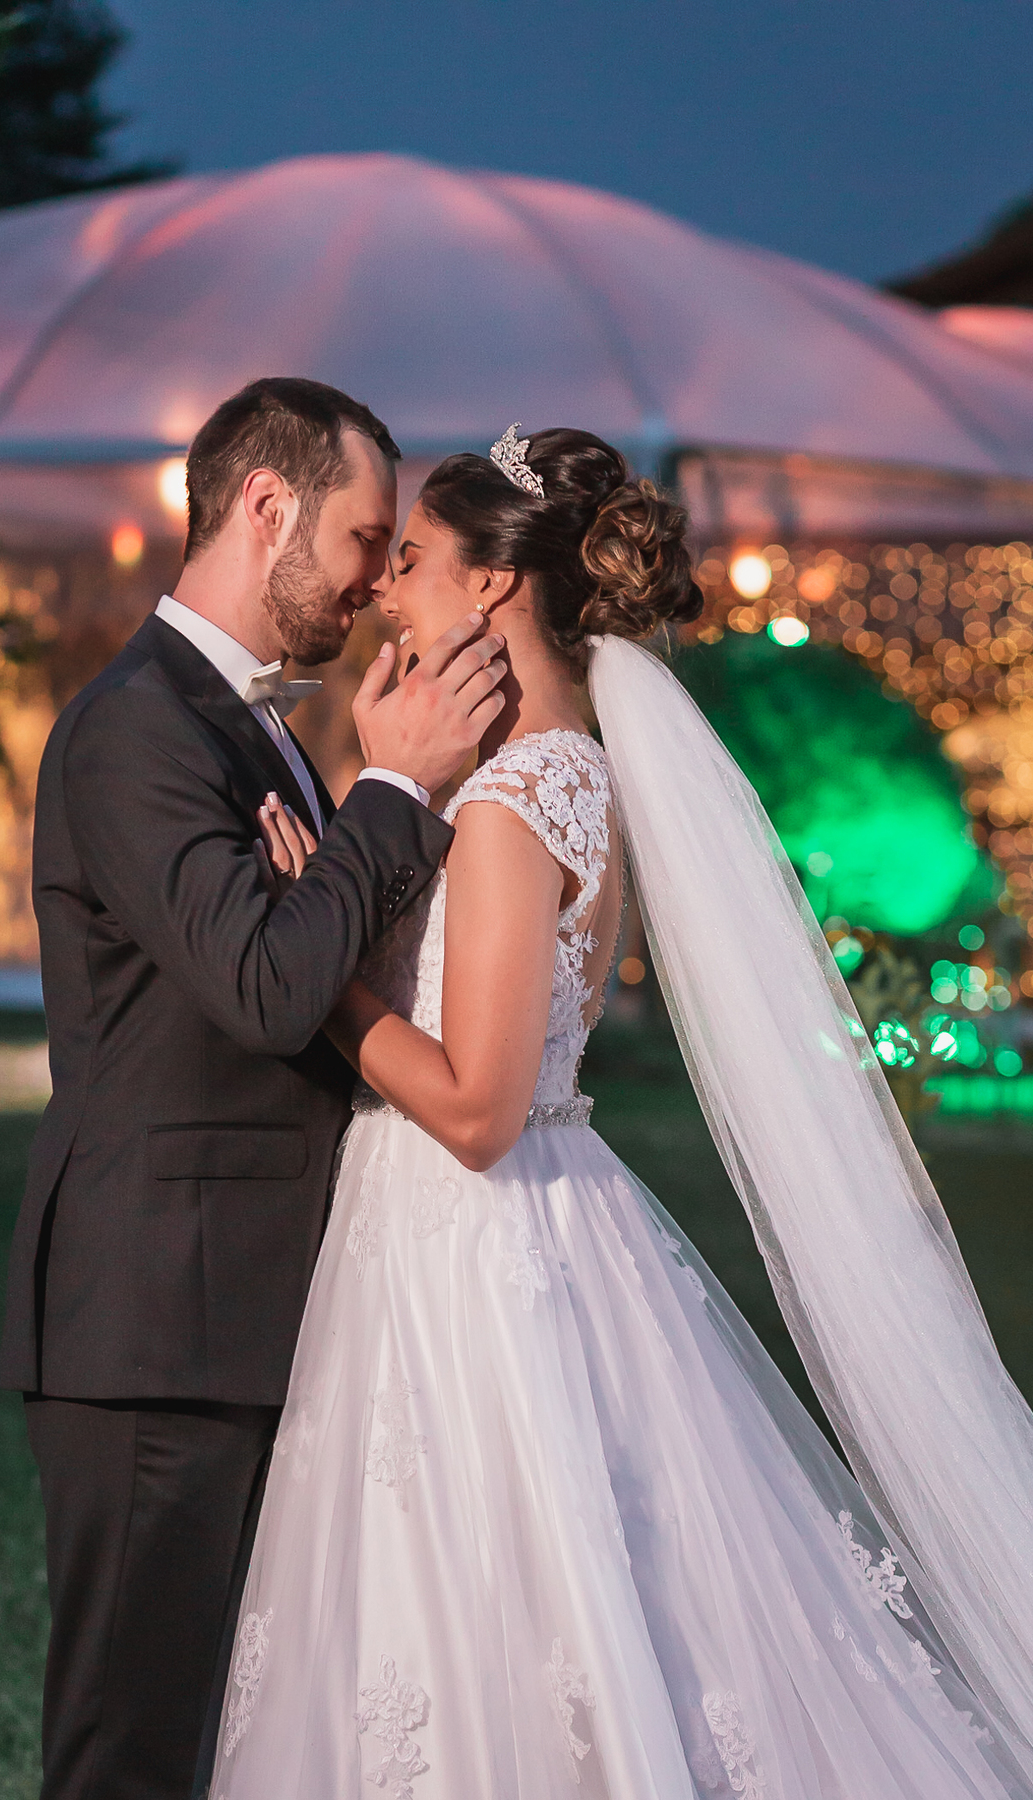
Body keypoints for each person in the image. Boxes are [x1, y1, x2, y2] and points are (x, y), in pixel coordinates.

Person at [220, 425, 1033, 1798]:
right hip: (544, 1209)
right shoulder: (572, 771)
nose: (386, 591)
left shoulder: (508, 806)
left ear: (490, 589)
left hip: (468, 1233)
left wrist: (326, 980)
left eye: (411, 560)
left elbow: (475, 1107)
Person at [0, 377, 509, 1800]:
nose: (369, 578)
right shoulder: (137, 730)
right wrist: (392, 795)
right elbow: (275, 987)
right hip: (160, 1325)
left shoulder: (259, 726)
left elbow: (306, 951)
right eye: (360, 536)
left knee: (227, 1743)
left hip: (246, 1312)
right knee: (131, 1750)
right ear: (265, 504)